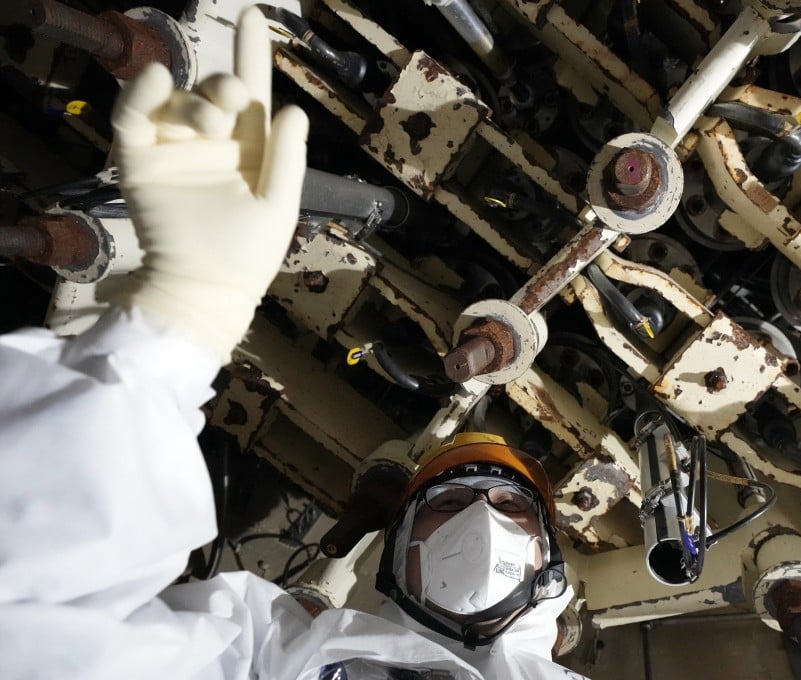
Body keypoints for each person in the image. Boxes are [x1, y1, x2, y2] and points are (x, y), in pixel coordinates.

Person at [0, 7, 585, 679]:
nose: (481, 522)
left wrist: (169, 335)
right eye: (458, 502)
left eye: (498, 504)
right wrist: (184, 314)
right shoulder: (266, 653)